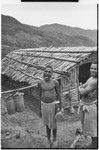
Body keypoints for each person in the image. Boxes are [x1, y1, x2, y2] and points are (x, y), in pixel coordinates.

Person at [38, 65, 62, 148]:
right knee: (47, 124)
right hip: (44, 105)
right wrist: (40, 109)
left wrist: (60, 107)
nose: (47, 73)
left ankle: (55, 139)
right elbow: (40, 95)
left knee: (54, 124)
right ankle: (48, 140)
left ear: (52, 73)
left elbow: (59, 95)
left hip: (53, 105)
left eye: (49, 72)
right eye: (45, 71)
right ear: (43, 72)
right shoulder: (40, 82)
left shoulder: (55, 82)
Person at [78, 62, 97, 148]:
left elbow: (82, 91)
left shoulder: (95, 81)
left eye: (95, 69)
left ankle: (95, 145)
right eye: (92, 68)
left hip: (90, 106)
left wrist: (79, 87)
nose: (92, 70)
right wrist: (82, 87)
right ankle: (94, 144)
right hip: (86, 104)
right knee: (88, 126)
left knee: (93, 128)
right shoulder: (91, 78)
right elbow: (84, 86)